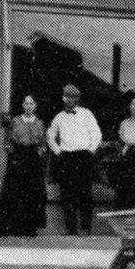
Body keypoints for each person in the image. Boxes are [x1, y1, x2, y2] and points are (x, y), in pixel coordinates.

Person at [46, 84, 102, 235]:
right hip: (66, 158)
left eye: (73, 97)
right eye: (67, 97)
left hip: (83, 157)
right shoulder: (59, 117)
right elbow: (50, 135)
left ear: (77, 99)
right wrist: (58, 151)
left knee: (85, 193)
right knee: (67, 194)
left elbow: (96, 134)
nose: (70, 100)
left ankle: (85, 228)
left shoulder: (86, 114)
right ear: (63, 98)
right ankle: (71, 229)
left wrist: (90, 150)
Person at [0, 94, 47, 236]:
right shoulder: (15, 121)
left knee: (31, 194)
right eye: (26, 103)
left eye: (31, 103)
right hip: (18, 159)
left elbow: (43, 144)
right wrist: (14, 153)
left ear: (35, 106)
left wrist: (38, 153)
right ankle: (13, 227)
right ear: (22, 105)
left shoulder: (39, 123)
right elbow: (6, 142)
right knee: (15, 192)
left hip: (33, 160)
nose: (28, 106)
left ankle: (29, 227)